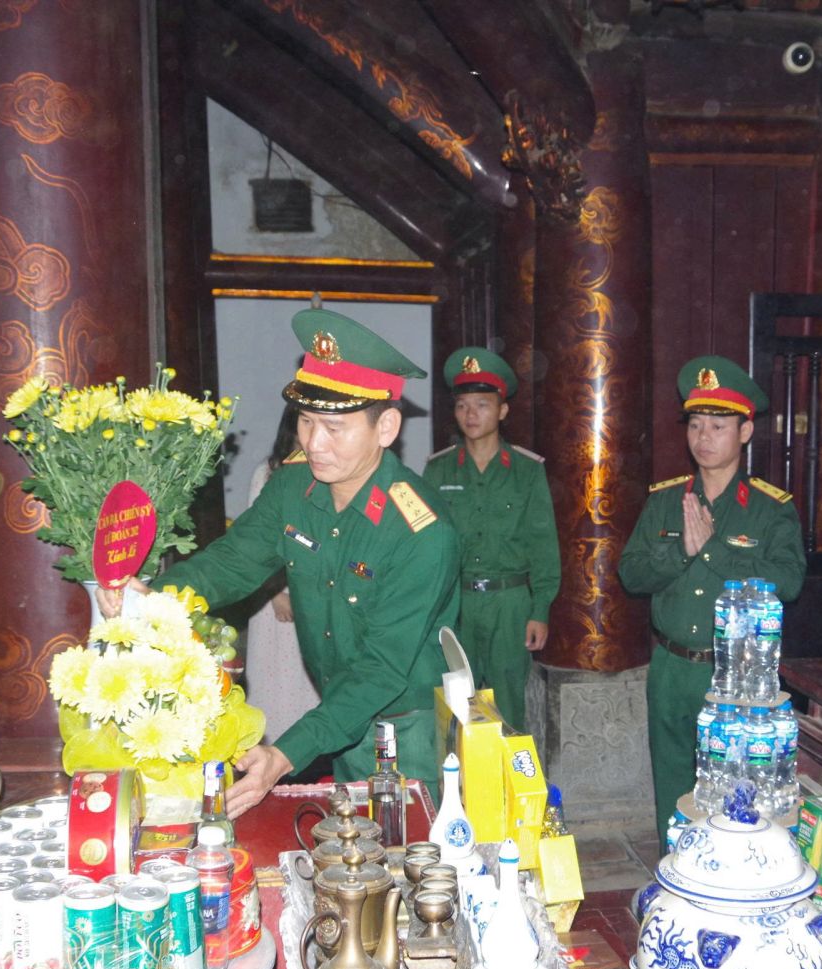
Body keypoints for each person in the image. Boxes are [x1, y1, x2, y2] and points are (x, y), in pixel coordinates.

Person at [98, 309, 459, 817]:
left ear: (386, 427)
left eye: (334, 427)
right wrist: (154, 600)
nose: (313, 442)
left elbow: (381, 671)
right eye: (306, 421)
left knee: (411, 850)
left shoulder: (421, 532)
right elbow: (232, 561)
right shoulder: (292, 486)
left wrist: (284, 755)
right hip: (336, 711)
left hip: (406, 727)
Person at [618, 355, 806, 840]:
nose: (703, 437)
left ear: (745, 432)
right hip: (671, 667)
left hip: (738, 675)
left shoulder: (770, 508)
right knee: (672, 784)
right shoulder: (665, 500)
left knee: (735, 792)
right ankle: (674, 866)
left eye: (718, 426)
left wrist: (714, 550)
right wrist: (681, 550)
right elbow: (631, 574)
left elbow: (788, 582)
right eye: (696, 425)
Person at [421, 347, 559, 732]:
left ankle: (507, 773)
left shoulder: (527, 471)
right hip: (455, 604)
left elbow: (543, 545)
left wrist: (540, 609)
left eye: (482, 405)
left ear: (502, 411)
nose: (471, 414)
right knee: (455, 708)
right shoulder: (437, 470)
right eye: (462, 405)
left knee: (508, 708)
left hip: (509, 604)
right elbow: (426, 545)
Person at [241, 404, 320, 743]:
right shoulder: (269, 472)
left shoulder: (327, 471)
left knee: (311, 681)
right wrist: (275, 594)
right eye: (306, 422)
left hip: (315, 592)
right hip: (274, 595)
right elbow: (256, 544)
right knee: (276, 680)